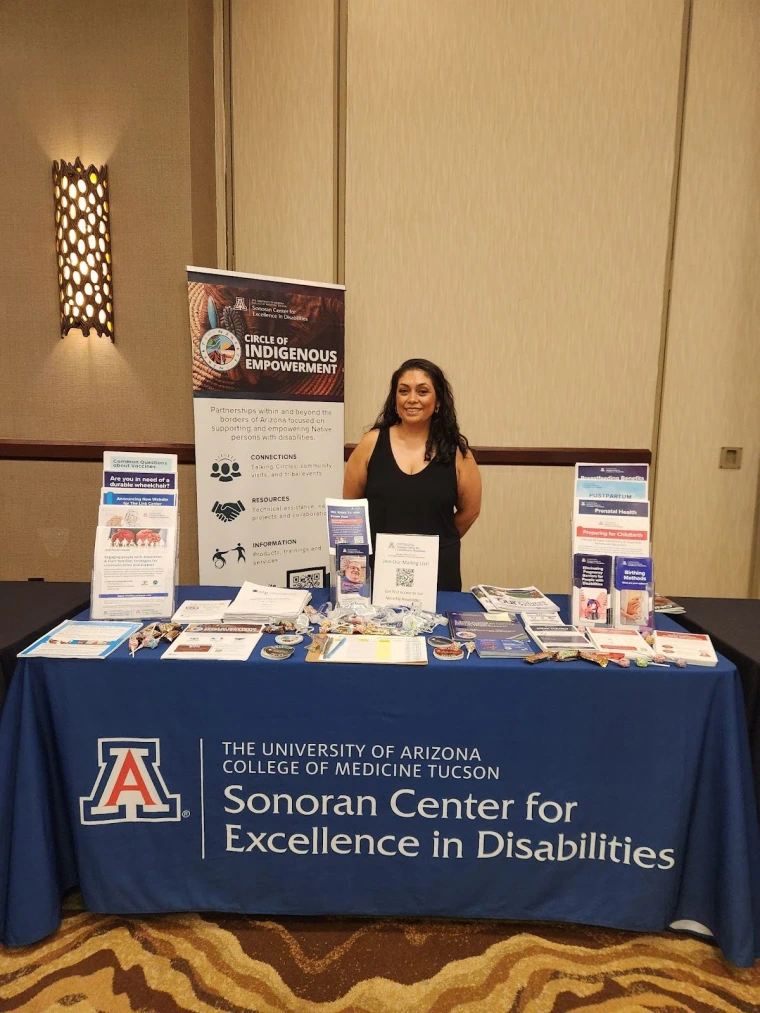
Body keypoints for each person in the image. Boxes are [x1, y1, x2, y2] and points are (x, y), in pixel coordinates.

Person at [343, 358, 481, 591]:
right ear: (395, 400)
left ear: (437, 401)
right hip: (377, 572)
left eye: (423, 391)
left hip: (437, 572)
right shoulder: (371, 443)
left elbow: (471, 511)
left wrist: (436, 544)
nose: (412, 399)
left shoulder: (457, 452)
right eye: (403, 391)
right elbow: (350, 509)